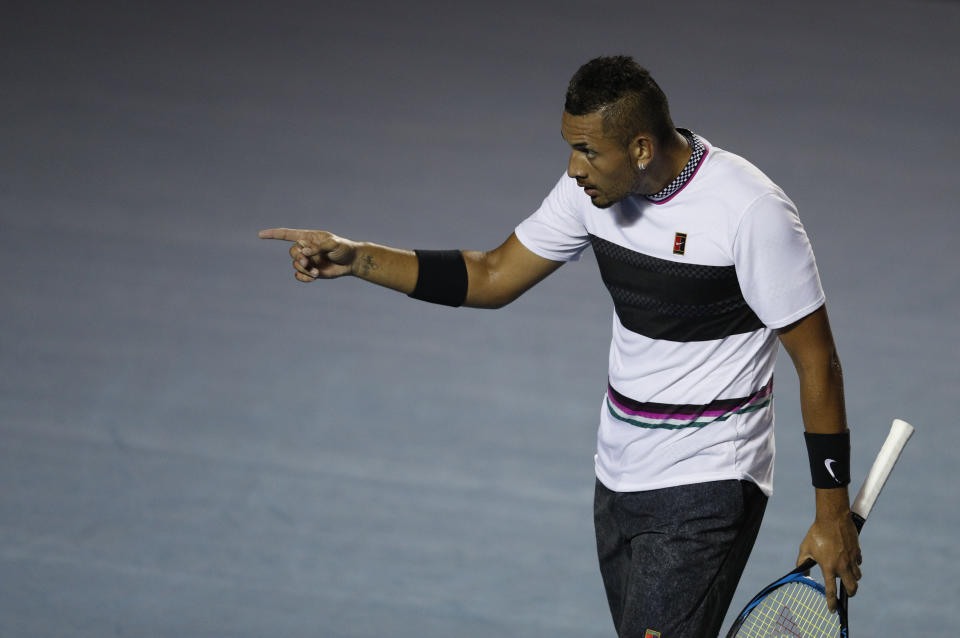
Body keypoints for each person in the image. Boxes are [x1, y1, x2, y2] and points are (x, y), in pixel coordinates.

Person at [259, 55, 861, 638]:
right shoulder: (592, 192)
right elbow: (492, 274)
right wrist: (358, 257)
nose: (574, 168)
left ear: (641, 150)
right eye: (572, 148)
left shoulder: (750, 212)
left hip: (707, 483)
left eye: (588, 151)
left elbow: (818, 363)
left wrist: (831, 514)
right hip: (618, 472)